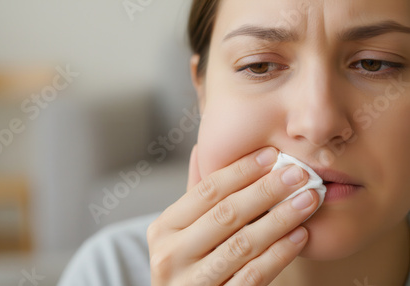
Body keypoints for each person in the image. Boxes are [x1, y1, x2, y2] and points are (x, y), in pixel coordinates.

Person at [58, 0, 410, 285]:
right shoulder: (109, 270)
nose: (318, 124)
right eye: (258, 66)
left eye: (375, 63)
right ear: (201, 90)